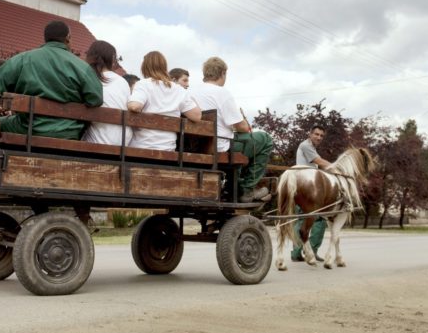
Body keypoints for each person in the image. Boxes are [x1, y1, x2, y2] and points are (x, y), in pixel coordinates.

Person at [0, 20, 103, 139]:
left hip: (30, 128)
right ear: (68, 38)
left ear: (46, 38)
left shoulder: (23, 60)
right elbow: (95, 99)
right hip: (69, 132)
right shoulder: (82, 67)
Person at [189, 56, 273, 203]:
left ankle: (233, 186)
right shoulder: (222, 93)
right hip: (220, 146)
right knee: (265, 139)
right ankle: (247, 189)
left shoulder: (191, 92)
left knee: (239, 142)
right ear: (223, 73)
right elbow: (242, 127)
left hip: (197, 146)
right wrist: (244, 123)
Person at [127, 51, 201, 150]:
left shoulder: (144, 84)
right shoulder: (178, 89)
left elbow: (134, 106)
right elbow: (197, 116)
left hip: (141, 147)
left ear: (145, 67)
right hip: (168, 149)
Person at [291, 125, 331, 262]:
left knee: (301, 219)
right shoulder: (306, 146)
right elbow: (319, 162)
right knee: (320, 219)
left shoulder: (310, 147)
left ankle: (296, 253)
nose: (319, 137)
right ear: (310, 134)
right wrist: (337, 167)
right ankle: (311, 251)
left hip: (301, 184)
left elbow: (318, 163)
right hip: (307, 186)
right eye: (316, 134)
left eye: (321, 135)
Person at [82, 40, 132, 146]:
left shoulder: (89, 77)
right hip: (123, 143)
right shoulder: (122, 81)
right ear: (111, 59)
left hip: (99, 141)